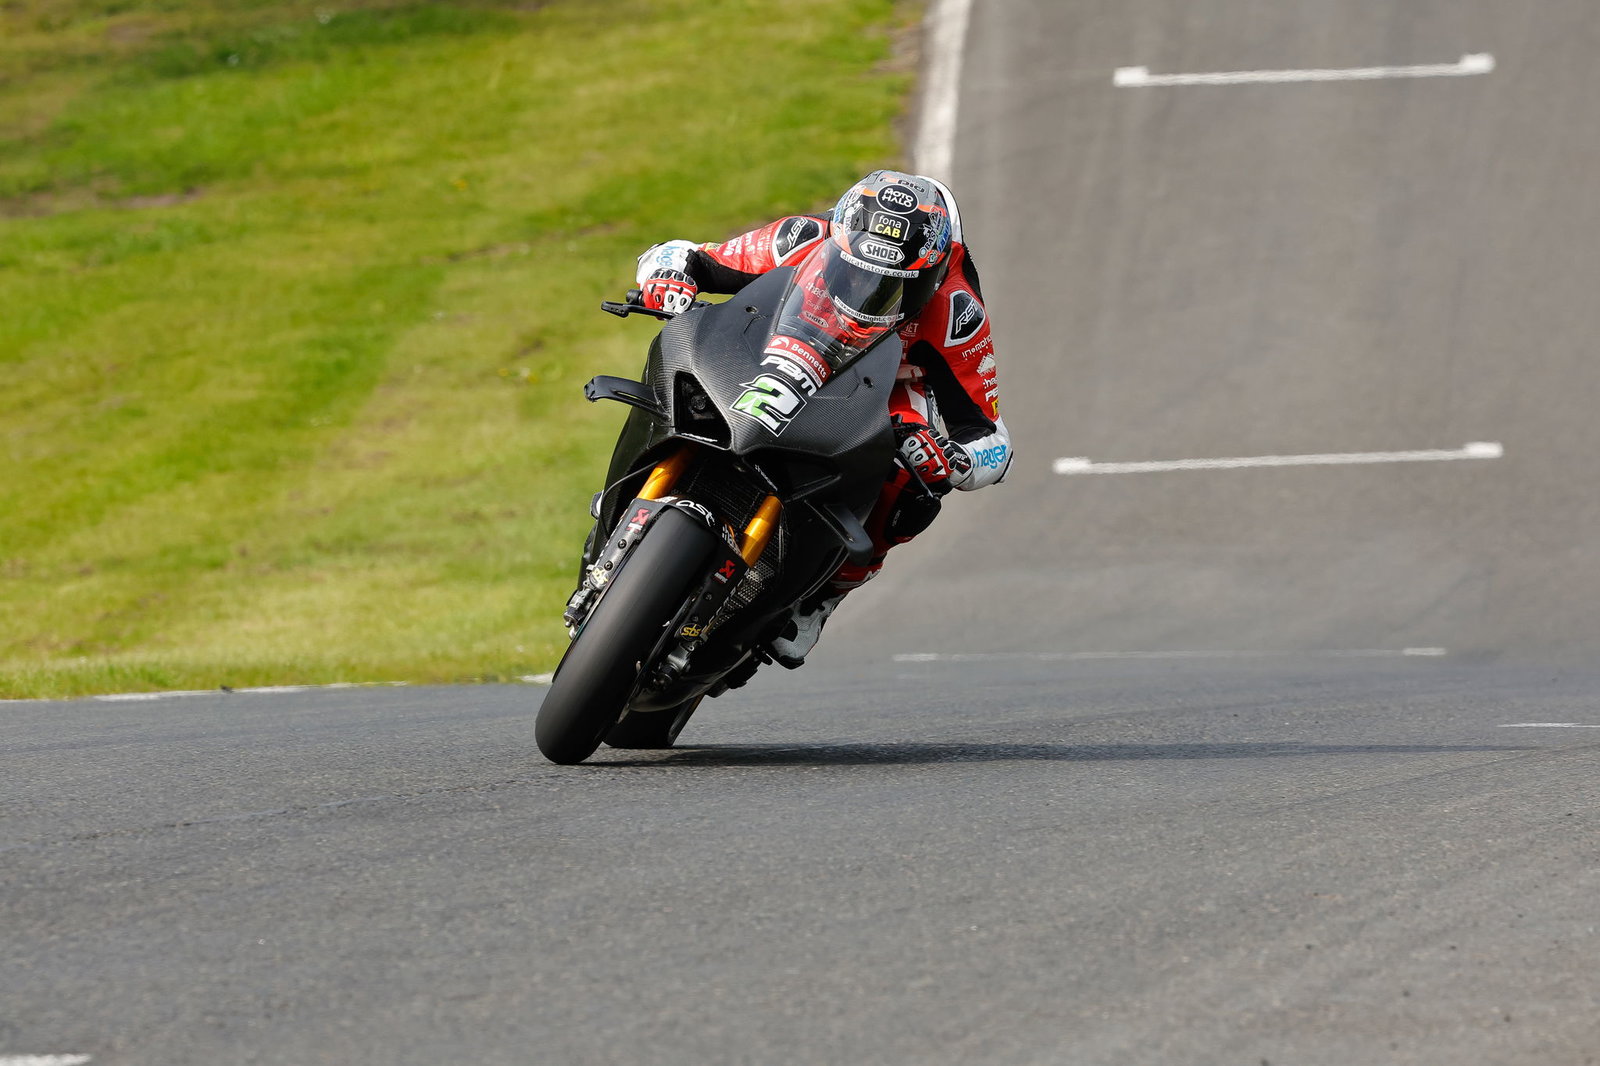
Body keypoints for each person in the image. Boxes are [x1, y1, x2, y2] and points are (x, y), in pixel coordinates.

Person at [632, 170, 1013, 666]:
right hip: (780, 345)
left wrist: (957, 460)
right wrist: (669, 276)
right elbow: (687, 255)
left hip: (884, 387)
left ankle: (820, 598)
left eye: (893, 286)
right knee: (681, 349)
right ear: (838, 237)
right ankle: (636, 485)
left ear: (933, 274)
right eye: (856, 272)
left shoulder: (957, 312)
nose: (870, 292)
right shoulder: (802, 237)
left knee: (915, 483)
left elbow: (992, 438)